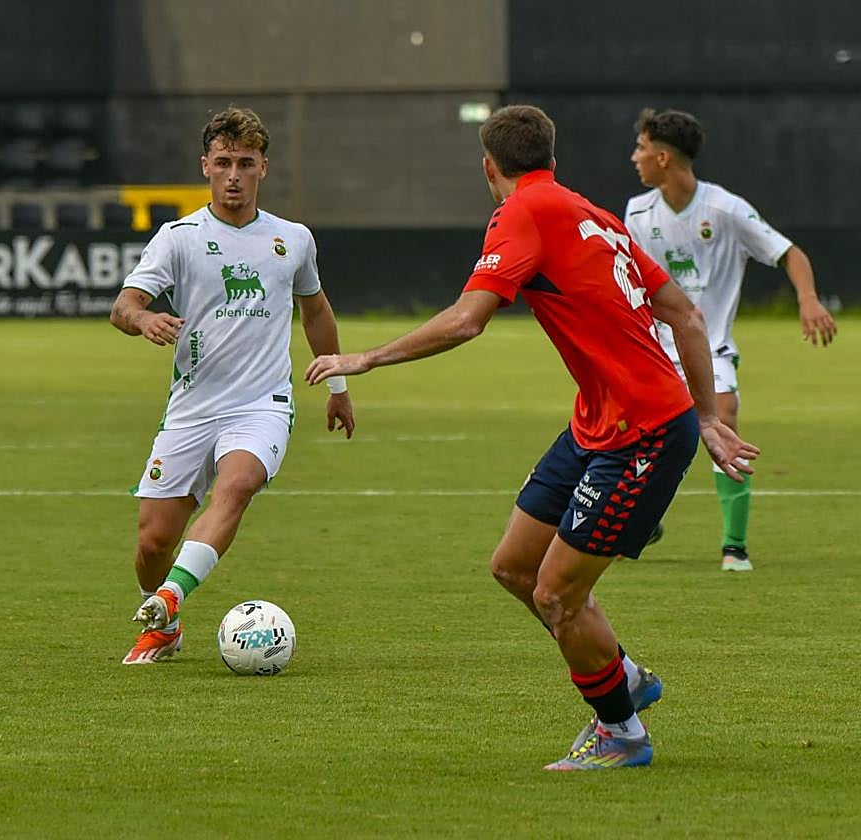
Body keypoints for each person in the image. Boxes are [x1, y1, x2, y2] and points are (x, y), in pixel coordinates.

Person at [306, 105, 760, 770]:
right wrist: (710, 415)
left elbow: (467, 321)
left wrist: (364, 359)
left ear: (489, 167)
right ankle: (624, 676)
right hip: (598, 423)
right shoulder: (592, 213)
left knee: (555, 593)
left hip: (643, 434)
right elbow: (688, 316)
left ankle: (622, 732)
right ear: (550, 158)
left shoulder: (522, 214)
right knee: (515, 568)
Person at [110, 106, 355, 665]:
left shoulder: (292, 240)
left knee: (237, 484)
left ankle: (172, 596)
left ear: (263, 167)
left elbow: (315, 311)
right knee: (152, 542)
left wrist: (337, 384)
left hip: (261, 403)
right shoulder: (179, 238)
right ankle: (163, 617)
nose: (234, 175)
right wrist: (144, 319)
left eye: (246, 162)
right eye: (223, 162)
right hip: (192, 407)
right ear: (206, 166)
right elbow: (124, 305)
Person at [626, 108, 837, 572]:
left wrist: (808, 299)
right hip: (656, 347)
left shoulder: (725, 209)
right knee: (637, 437)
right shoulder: (637, 212)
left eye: (641, 148)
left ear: (663, 157)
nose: (634, 157)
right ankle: (644, 517)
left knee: (724, 414)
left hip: (711, 345)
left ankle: (734, 546)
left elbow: (789, 253)